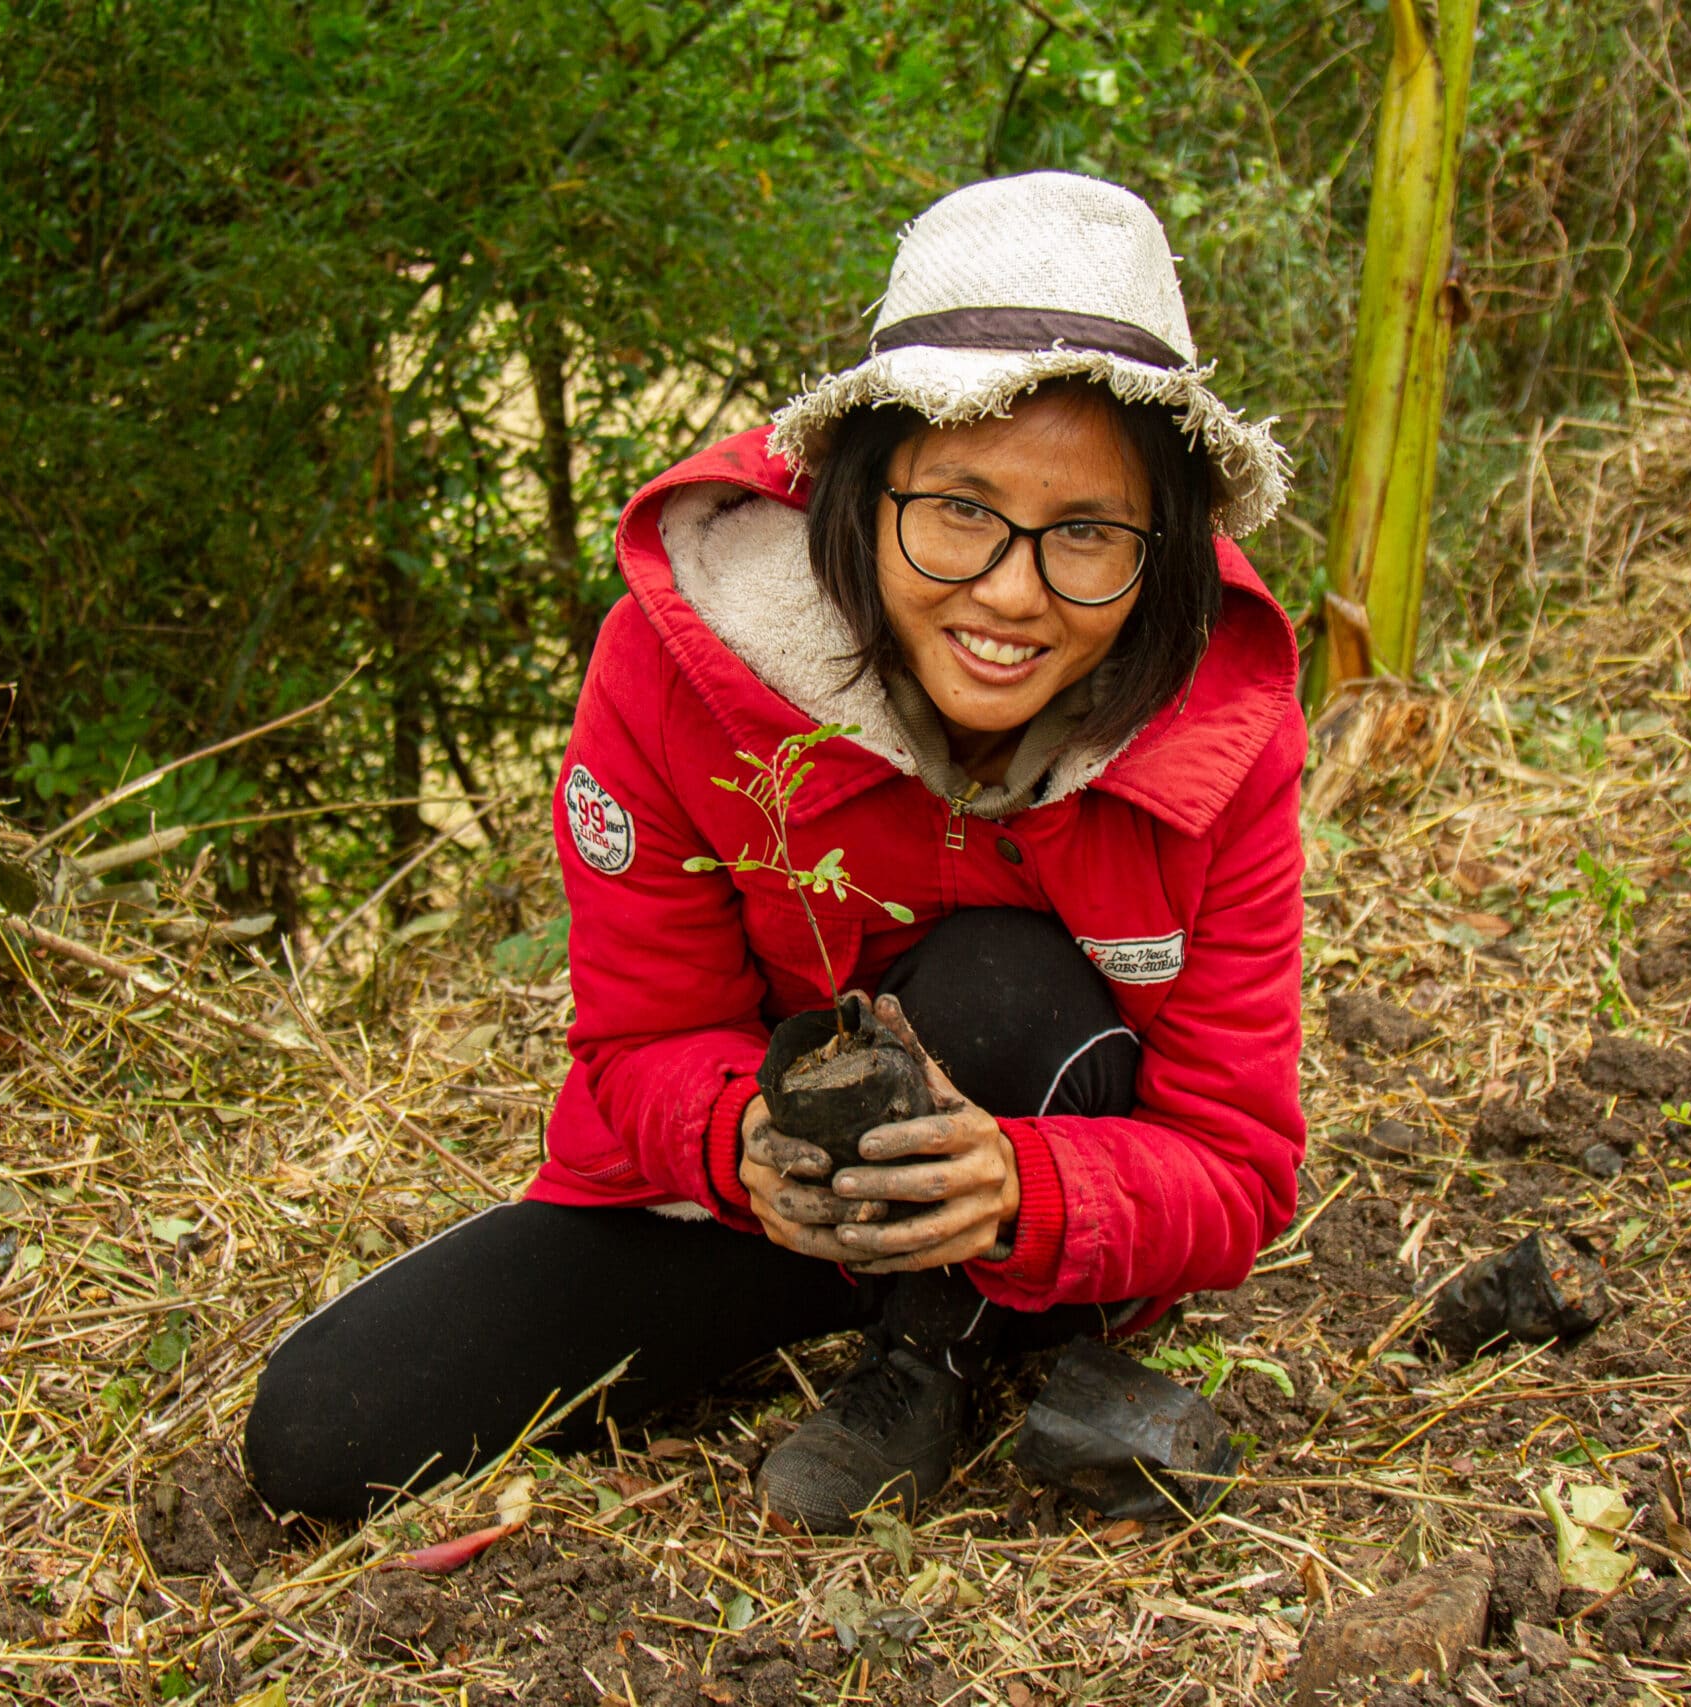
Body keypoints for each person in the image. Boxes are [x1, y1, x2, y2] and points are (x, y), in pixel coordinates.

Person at [244, 171, 1307, 1530]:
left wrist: (1013, 1191)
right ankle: (868, 1307)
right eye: (960, 509)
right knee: (328, 1432)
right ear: (862, 488)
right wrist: (739, 1142)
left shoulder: (1221, 724)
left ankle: (938, 1349)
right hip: (762, 1203)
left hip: (1034, 1176)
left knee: (1002, 979)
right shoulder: (687, 667)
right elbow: (637, 1045)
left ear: (1163, 553)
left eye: (1087, 534)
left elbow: (1233, 1168)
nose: (1012, 591)